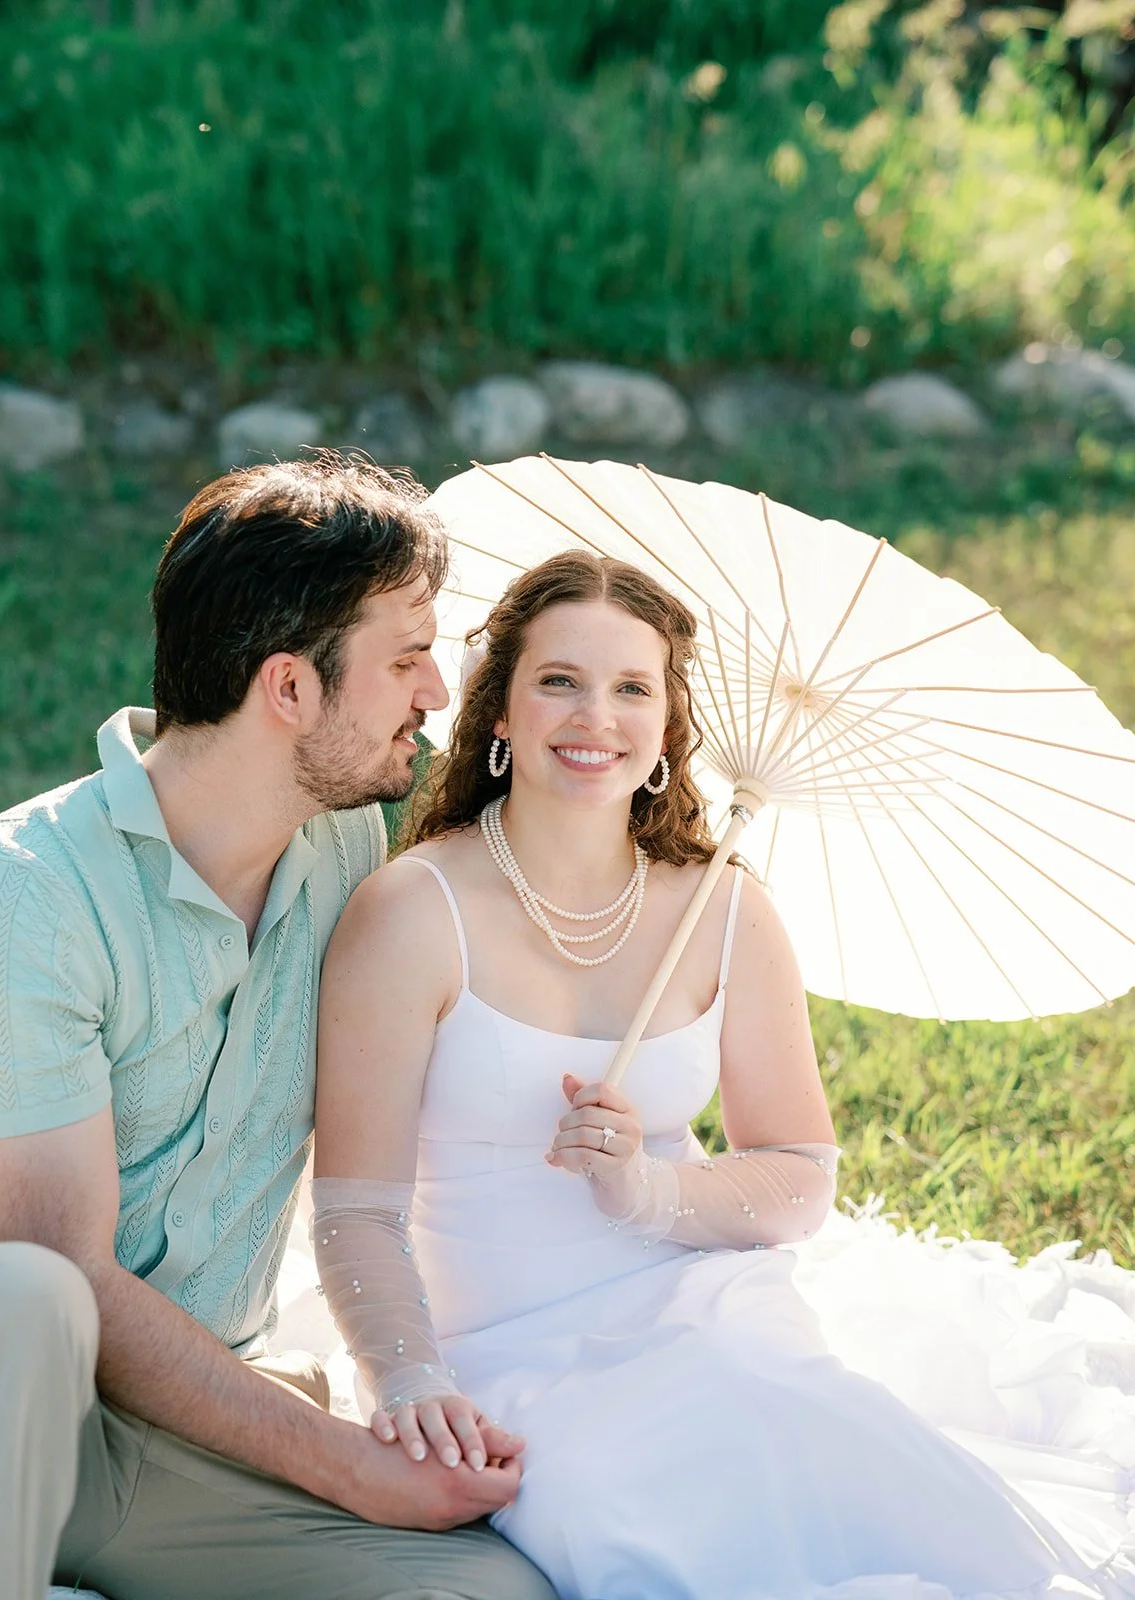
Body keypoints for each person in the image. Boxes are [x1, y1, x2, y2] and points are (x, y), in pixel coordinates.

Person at [311, 549, 1132, 1599]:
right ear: (501, 712)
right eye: (559, 679)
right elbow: (353, 1211)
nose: (592, 716)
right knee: (631, 1517)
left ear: (666, 729)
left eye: (631, 688)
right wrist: (410, 1377)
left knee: (826, 1448)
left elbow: (799, 1176)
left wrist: (650, 1189)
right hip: (498, 1351)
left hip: (705, 1304)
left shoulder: (726, 910)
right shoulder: (412, 912)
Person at [0, 455, 555, 1600]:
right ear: (289, 689)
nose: (434, 692)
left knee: (486, 1593)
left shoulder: (340, 852)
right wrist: (354, 1471)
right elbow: (64, 1272)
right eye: (407, 657)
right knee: (32, 1296)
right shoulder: (25, 894)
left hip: (175, 1421)